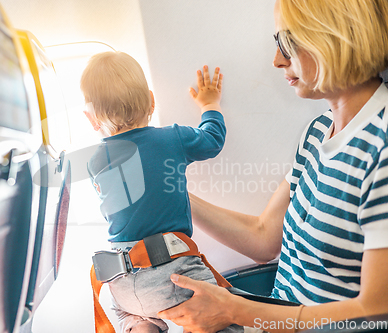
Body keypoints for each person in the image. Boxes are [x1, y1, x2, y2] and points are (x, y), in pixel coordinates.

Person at [157, 0, 388, 332]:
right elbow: (264, 238)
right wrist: (173, 195)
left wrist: (236, 311)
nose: (277, 60)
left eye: (287, 43)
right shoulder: (318, 131)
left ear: (333, 37)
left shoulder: (381, 147)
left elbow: (375, 313)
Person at [81, 51, 229, 332]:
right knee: (220, 313)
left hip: (121, 282)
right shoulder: (171, 139)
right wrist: (210, 104)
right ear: (151, 101)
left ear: (91, 119)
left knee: (138, 318)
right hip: (171, 272)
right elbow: (213, 140)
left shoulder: (94, 162)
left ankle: (141, 325)